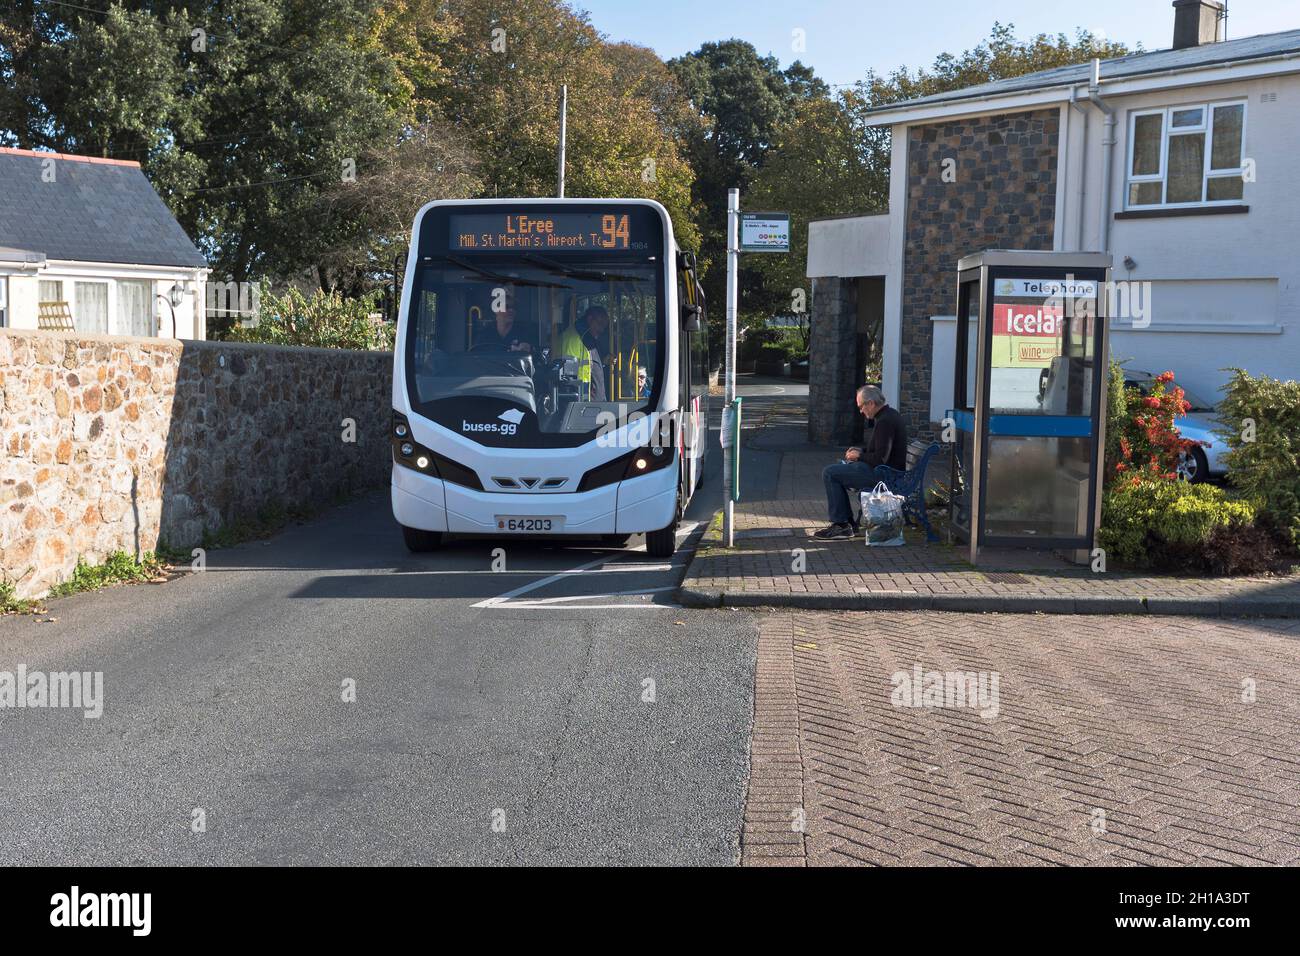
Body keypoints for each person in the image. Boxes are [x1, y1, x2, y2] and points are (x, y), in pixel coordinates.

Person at [814, 384, 908, 540]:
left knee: (830, 473)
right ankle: (844, 524)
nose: (861, 411)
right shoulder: (888, 415)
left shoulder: (885, 421)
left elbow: (880, 459)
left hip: (884, 476)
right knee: (837, 470)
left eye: (861, 406)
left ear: (871, 403)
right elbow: (880, 451)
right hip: (887, 472)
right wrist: (860, 452)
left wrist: (859, 456)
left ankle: (842, 525)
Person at [560, 305, 609, 400]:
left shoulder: (588, 339)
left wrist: (602, 362)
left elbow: (587, 367)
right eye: (600, 323)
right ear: (590, 319)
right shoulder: (572, 338)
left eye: (604, 326)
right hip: (583, 402)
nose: (601, 329)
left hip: (591, 402)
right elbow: (568, 377)